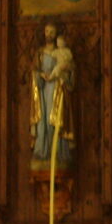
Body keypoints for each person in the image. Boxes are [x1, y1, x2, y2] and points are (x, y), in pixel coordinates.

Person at [30, 21, 75, 168]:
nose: (48, 35)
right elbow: (34, 71)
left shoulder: (61, 52)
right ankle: (43, 152)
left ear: (56, 34)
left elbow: (70, 71)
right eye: (47, 31)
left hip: (56, 90)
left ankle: (57, 154)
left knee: (55, 120)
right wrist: (40, 75)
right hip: (43, 91)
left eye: (51, 32)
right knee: (43, 120)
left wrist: (60, 75)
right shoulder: (40, 52)